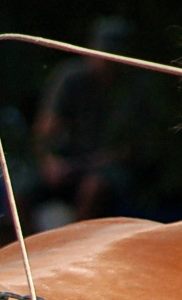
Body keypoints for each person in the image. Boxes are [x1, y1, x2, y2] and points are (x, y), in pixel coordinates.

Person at [32, 17, 143, 227]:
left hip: (107, 168)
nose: (108, 61)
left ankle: (72, 245)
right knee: (18, 189)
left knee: (95, 187)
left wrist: (86, 164)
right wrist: (50, 161)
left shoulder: (136, 89)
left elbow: (129, 150)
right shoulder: (70, 77)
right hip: (67, 162)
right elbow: (46, 128)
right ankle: (26, 246)